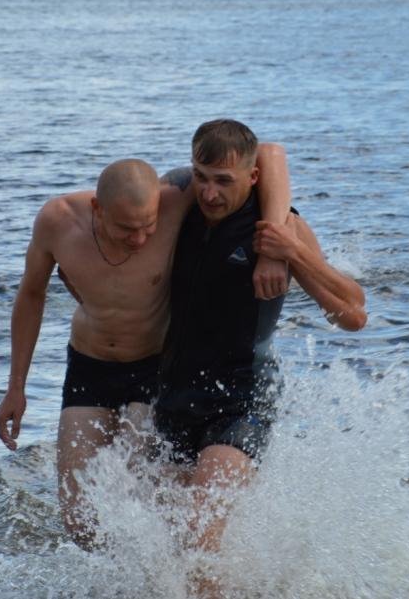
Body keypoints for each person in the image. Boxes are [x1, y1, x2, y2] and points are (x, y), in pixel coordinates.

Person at [0, 147, 292, 549]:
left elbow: (266, 155)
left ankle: (185, 574)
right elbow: (30, 296)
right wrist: (16, 388)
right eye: (126, 229)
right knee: (79, 522)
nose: (139, 239)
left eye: (148, 227)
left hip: (157, 370)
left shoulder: (176, 197)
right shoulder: (56, 221)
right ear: (98, 208)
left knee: (145, 498)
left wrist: (272, 246)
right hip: (90, 367)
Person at [152, 119, 366, 591]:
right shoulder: (178, 207)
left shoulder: (280, 225)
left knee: (199, 535)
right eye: (202, 177)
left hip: (243, 395)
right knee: (169, 550)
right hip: (172, 395)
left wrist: (290, 252)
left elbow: (353, 315)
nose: (208, 193)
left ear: (252, 178)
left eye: (223, 181)